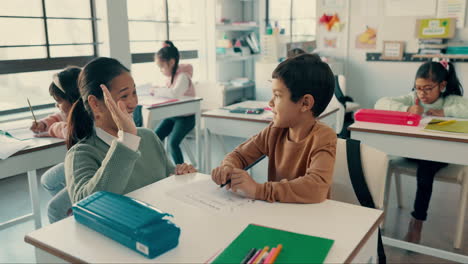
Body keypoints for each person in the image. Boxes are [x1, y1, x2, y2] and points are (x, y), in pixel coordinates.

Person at [65, 57, 196, 206]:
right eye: (124, 96)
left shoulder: (149, 137)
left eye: (134, 93)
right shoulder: (81, 154)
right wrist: (126, 140)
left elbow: (170, 176)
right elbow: (88, 205)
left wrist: (181, 175)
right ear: (95, 104)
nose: (134, 103)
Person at [211, 54, 337, 203]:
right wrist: (228, 167)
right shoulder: (274, 131)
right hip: (276, 213)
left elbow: (315, 187)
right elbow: (239, 155)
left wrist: (259, 190)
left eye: (277, 95)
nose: (270, 103)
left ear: (305, 103)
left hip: (307, 219)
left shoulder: (324, 137)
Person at [375, 60, 468, 243]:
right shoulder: (413, 98)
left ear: (442, 86)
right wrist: (407, 109)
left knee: (426, 169)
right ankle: (375, 218)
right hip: (412, 151)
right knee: (383, 156)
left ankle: (417, 222)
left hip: (440, 155)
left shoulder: (450, 100)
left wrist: (444, 112)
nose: (422, 94)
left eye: (427, 88)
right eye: (418, 88)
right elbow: (380, 103)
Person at [29, 66, 81, 223]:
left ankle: (76, 210)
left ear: (73, 98)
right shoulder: (71, 109)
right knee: (48, 180)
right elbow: (58, 115)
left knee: (54, 209)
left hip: (90, 167)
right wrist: (44, 124)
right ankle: (76, 209)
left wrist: (52, 128)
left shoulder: (87, 116)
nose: (57, 106)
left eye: (59, 101)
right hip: (77, 161)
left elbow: (68, 130)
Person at [153, 40, 196, 164]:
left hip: (186, 118)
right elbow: (167, 92)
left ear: (171, 62)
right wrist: (159, 90)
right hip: (173, 116)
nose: (160, 70)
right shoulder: (170, 77)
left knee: (173, 143)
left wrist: (157, 91)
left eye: (162, 66)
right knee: (155, 138)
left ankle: (181, 169)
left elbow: (174, 93)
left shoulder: (182, 76)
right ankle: (161, 166)